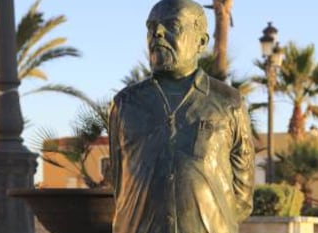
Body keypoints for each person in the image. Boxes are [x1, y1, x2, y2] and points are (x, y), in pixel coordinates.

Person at [108, 0, 255, 232]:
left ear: (201, 42)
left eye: (171, 25)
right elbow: (119, 181)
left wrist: (210, 217)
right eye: (151, 27)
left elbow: (242, 194)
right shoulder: (125, 104)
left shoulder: (229, 102)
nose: (157, 33)